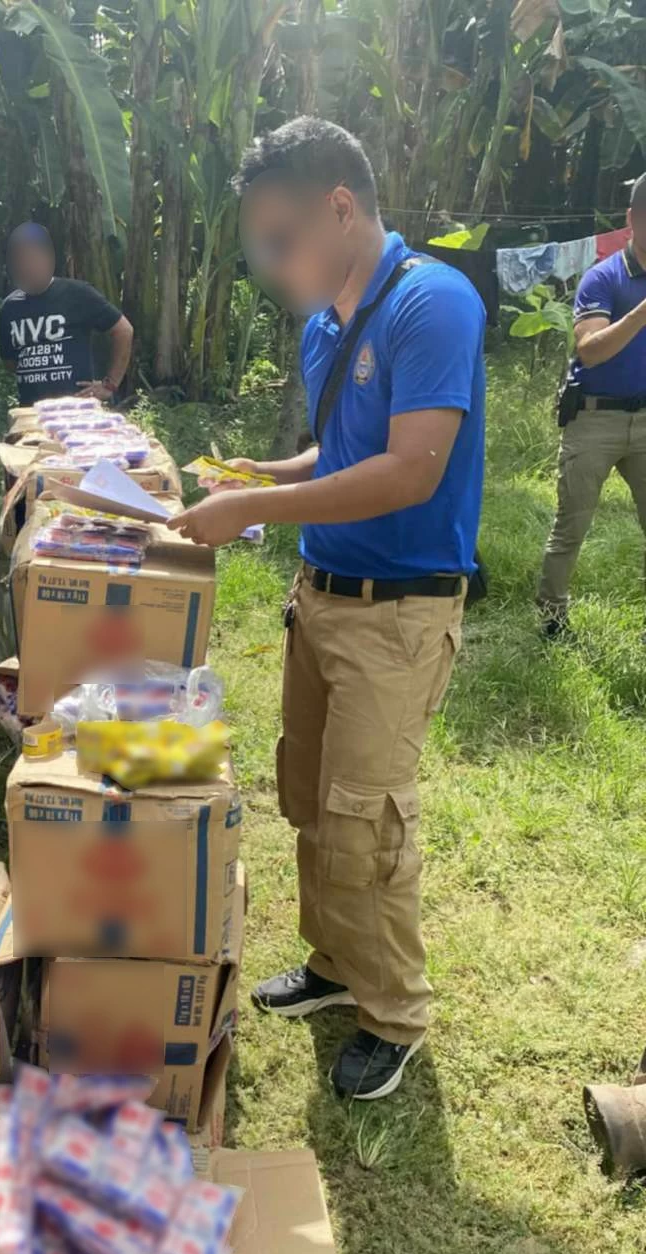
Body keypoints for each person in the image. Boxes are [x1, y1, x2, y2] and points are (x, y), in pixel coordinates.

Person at [169, 117, 486, 1101]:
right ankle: (335, 966)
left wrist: (254, 506)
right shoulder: (322, 327)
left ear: (341, 209)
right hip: (323, 598)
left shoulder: (432, 302)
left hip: (399, 612)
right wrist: (266, 471)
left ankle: (393, 1016)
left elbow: (407, 468)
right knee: (309, 797)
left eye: (281, 238)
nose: (270, 262)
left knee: (369, 819)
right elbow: (345, 454)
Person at [537, 172, 646, 638]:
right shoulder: (603, 277)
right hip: (594, 417)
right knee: (571, 527)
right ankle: (552, 618)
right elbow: (590, 349)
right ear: (631, 219)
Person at [0, 223, 133, 405]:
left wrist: (109, 385)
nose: (27, 266)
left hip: (78, 409)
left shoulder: (77, 294)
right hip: (31, 411)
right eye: (21, 260)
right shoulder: (9, 308)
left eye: (33, 258)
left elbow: (123, 330)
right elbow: (10, 362)